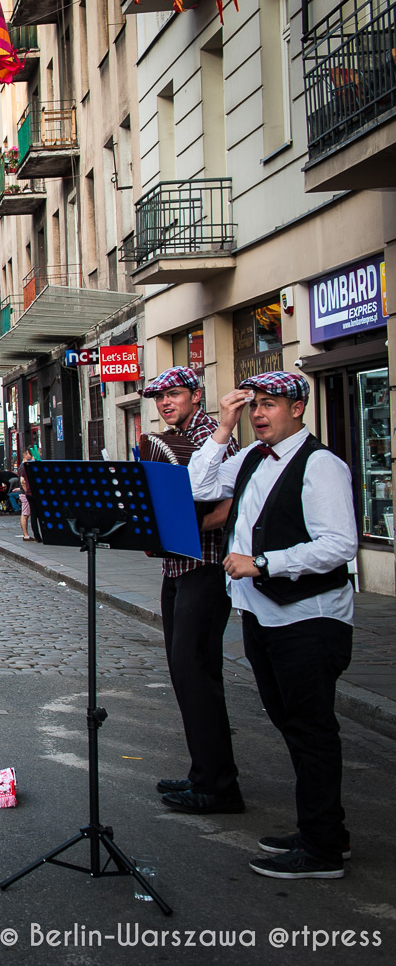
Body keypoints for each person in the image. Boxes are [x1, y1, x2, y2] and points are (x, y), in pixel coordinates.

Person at [187, 372, 359, 880]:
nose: (259, 414)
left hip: (309, 617)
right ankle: (325, 831)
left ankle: (322, 849)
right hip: (264, 614)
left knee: (311, 729)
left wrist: (264, 563)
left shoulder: (320, 465)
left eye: (270, 404)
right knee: (292, 724)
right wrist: (223, 426)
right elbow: (199, 486)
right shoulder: (251, 457)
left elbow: (339, 544)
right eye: (254, 405)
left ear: (298, 408)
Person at [138, 365, 241, 816]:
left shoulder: (214, 436)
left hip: (206, 567)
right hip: (176, 568)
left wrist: (183, 528)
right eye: (159, 397)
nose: (165, 402)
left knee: (197, 674)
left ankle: (219, 787)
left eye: (174, 394)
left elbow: (230, 504)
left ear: (196, 396)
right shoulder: (168, 438)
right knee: (184, 675)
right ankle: (203, 772)